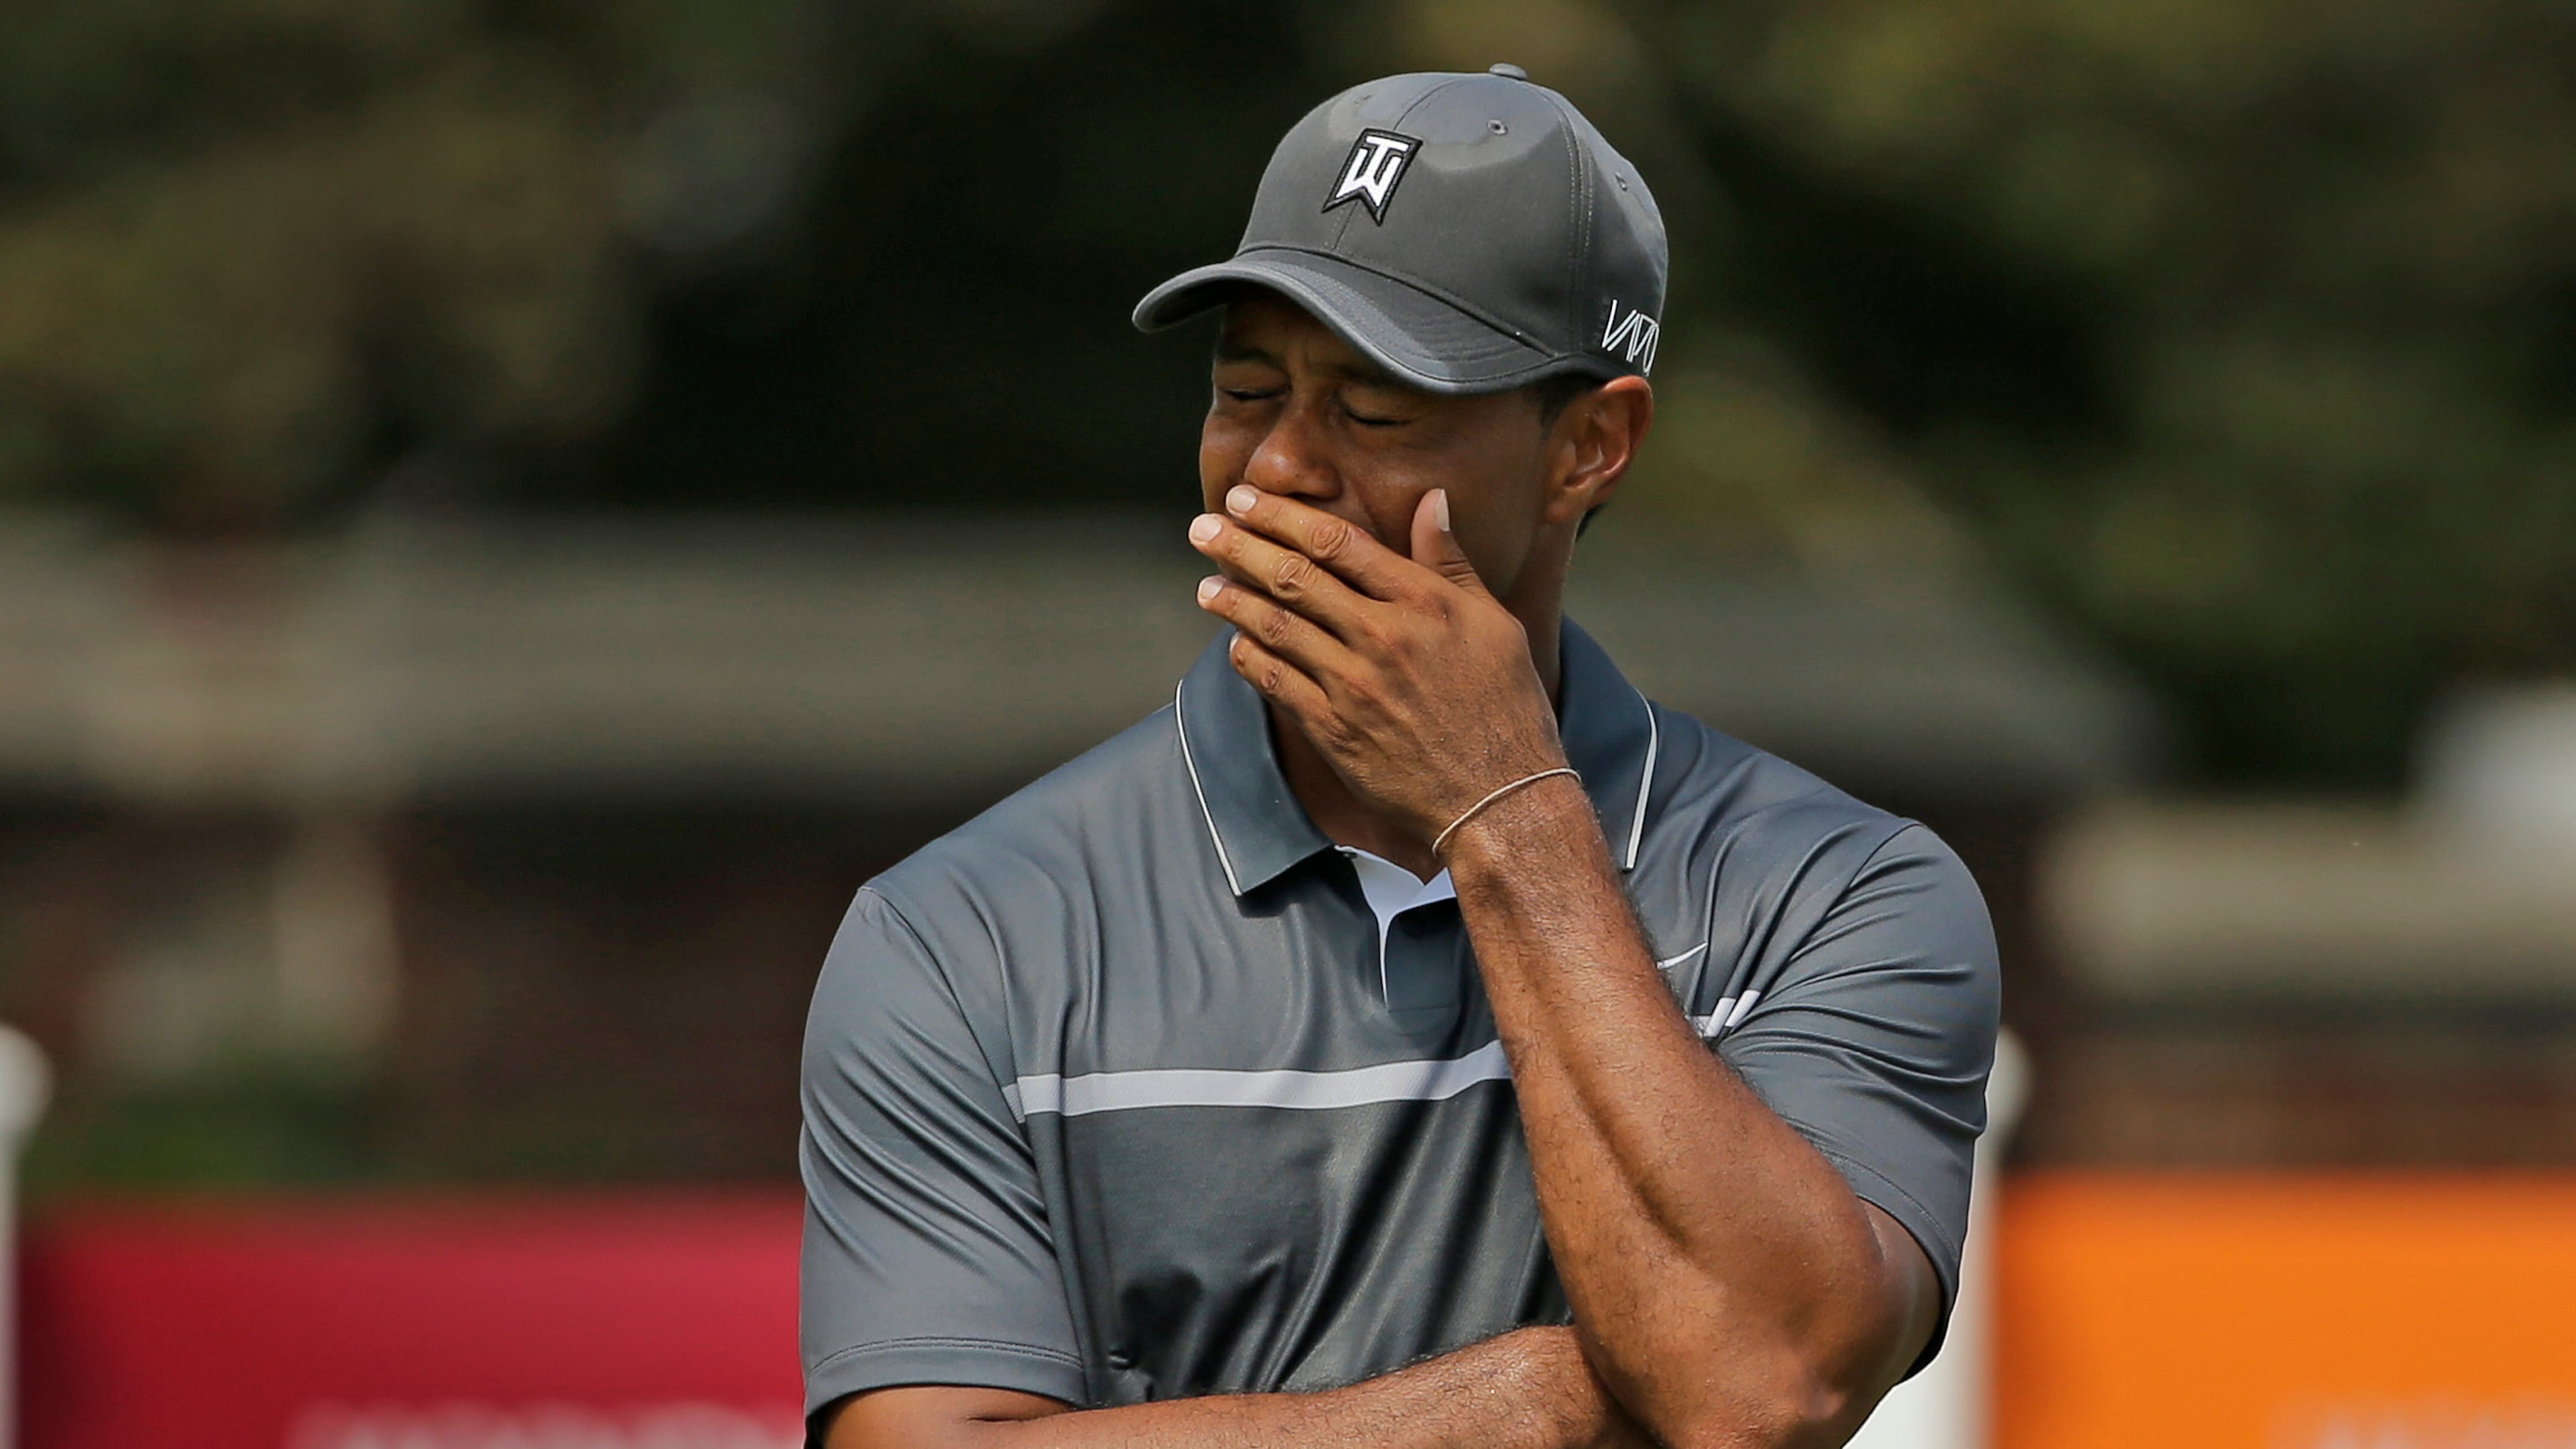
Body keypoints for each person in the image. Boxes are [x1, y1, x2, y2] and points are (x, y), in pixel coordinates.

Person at [799, 66, 1999, 1449]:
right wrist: (1544, 1402)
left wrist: (1503, 807)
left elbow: (1754, 1387)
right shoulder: (961, 932)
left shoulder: (1846, 894)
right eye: (1246, 390)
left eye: (1373, 412)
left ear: (1590, 448)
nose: (1279, 472)